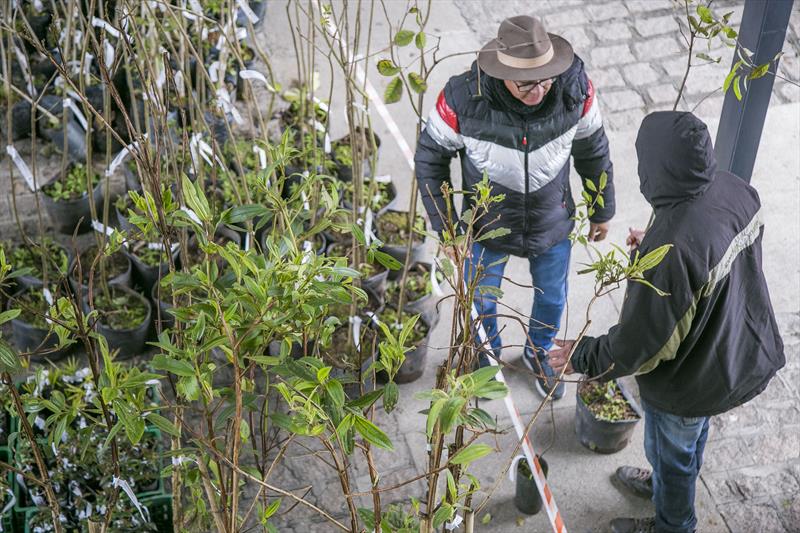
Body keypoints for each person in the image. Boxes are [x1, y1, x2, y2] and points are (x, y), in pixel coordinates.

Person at [548, 111, 785, 533]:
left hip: (689, 380)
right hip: (731, 352)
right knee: (690, 439)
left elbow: (644, 344)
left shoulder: (675, 248)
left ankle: (673, 522)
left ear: (654, 167)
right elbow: (711, 254)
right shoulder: (733, 189)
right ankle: (667, 488)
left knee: (672, 449)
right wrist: (656, 243)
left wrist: (582, 355)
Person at [414, 15, 615, 399]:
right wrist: (449, 229)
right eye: (526, 83)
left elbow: (593, 149)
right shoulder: (461, 97)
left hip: (551, 219)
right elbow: (430, 159)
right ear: (502, 72)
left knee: (553, 297)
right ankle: (486, 357)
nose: (539, 91)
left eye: (545, 79)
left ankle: (539, 353)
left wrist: (602, 208)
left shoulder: (576, 89)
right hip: (486, 225)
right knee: (481, 300)